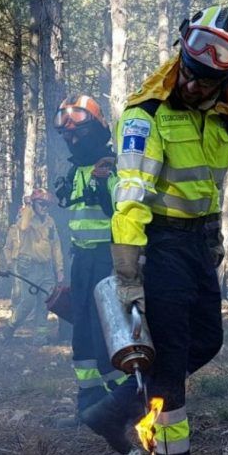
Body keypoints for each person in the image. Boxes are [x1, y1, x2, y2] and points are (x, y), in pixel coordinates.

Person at [99, 5, 228, 455]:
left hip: (194, 245)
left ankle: (115, 408)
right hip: (158, 243)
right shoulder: (145, 116)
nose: (191, 85)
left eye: (205, 80)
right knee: (169, 369)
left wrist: (212, 237)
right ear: (179, 57)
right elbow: (130, 197)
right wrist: (128, 270)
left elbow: (210, 186)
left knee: (207, 340)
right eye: (187, 73)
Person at [53, 95, 126, 421]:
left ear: (95, 131)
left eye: (78, 133)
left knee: (106, 332)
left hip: (107, 260)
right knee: (81, 330)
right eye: (67, 135)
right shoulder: (73, 171)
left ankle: (126, 404)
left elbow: (125, 213)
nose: (72, 140)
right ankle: (89, 406)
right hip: (81, 261)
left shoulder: (110, 168)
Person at [0, 189, 63, 342]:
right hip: (28, 267)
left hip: (46, 268)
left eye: (47, 205)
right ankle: (10, 326)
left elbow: (56, 245)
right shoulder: (25, 217)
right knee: (27, 303)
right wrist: (28, 205)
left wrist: (59, 269)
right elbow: (23, 228)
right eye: (41, 204)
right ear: (34, 204)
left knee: (44, 303)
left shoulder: (50, 222)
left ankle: (40, 338)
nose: (45, 207)